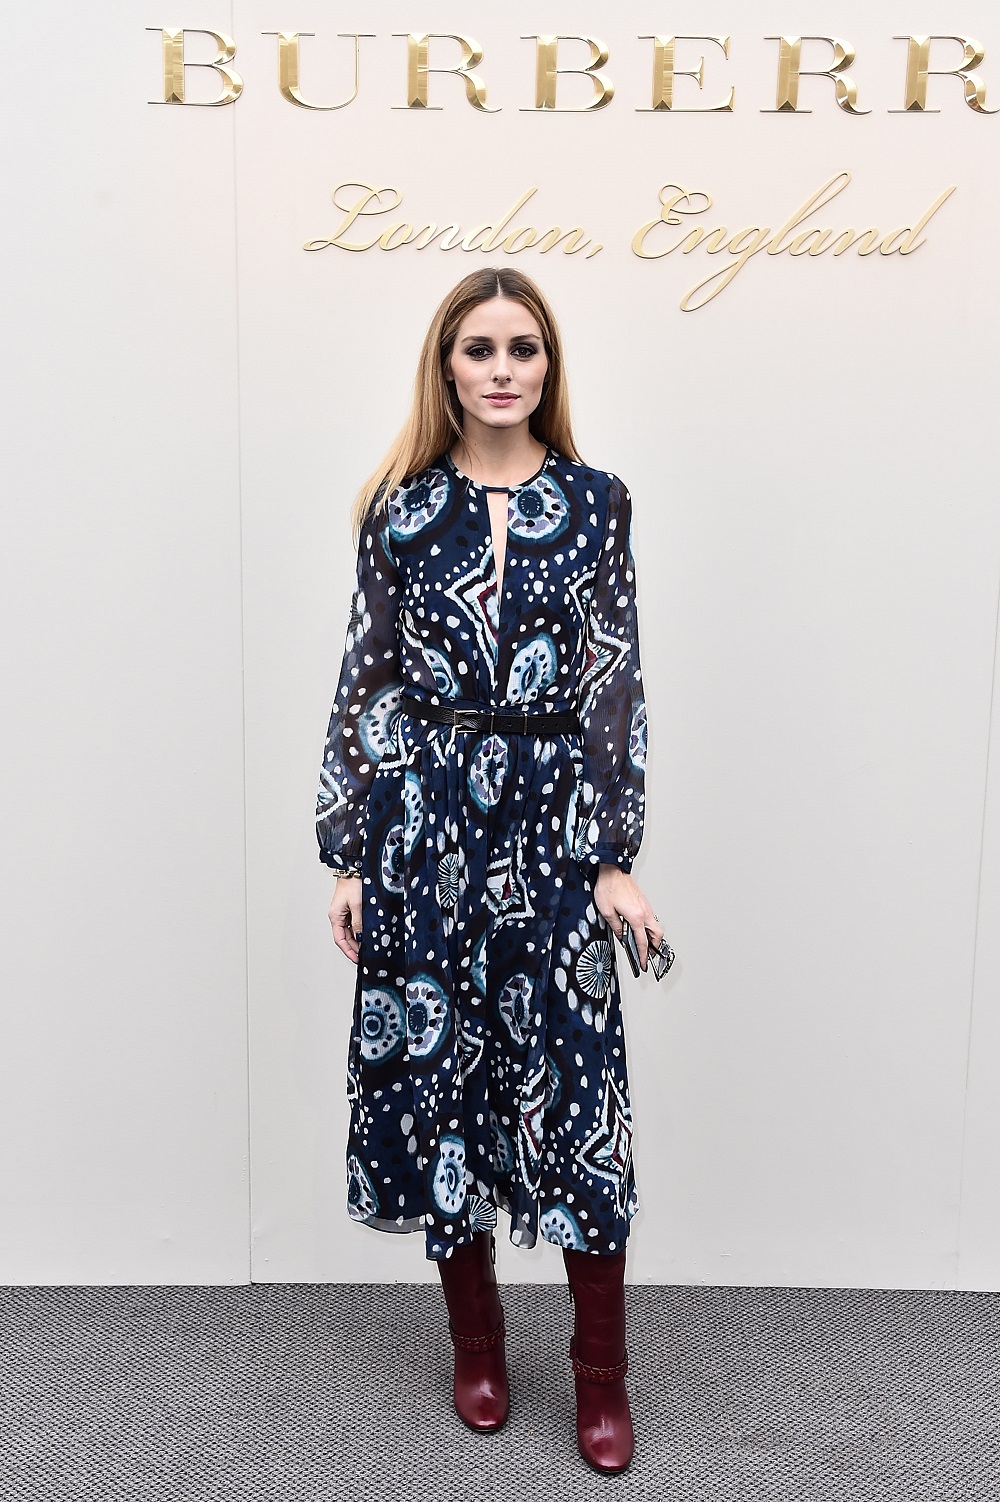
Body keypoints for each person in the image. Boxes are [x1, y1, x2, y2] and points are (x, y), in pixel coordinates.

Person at [315, 266, 663, 1474]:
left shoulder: (598, 502)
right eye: (479, 348)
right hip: (427, 828)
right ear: (447, 367)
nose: (503, 368)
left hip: (551, 824)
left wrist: (612, 856)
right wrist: (351, 850)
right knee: (444, 1077)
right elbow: (367, 680)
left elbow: (613, 679)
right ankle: (477, 1344)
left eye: (524, 347)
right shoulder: (400, 508)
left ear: (547, 365)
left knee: (578, 1088)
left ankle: (600, 1375)